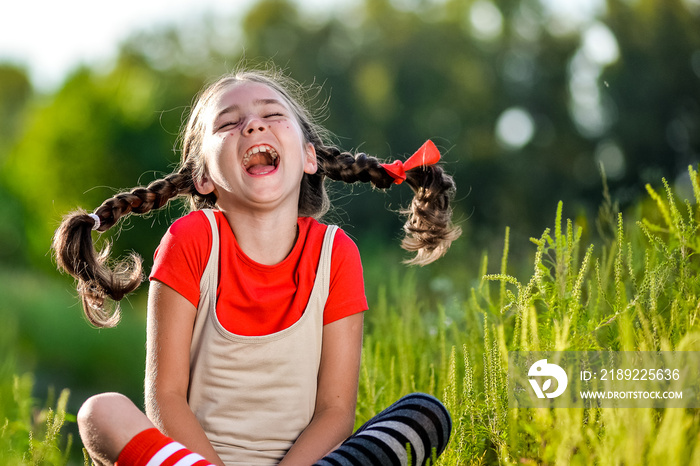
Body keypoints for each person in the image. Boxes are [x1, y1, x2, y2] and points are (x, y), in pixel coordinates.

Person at [53, 66, 461, 466]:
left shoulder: (336, 253)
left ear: (308, 157)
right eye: (228, 123)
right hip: (194, 460)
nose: (252, 126)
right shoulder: (191, 241)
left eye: (272, 114)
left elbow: (335, 412)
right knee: (99, 414)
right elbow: (166, 397)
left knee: (424, 415)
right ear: (203, 178)